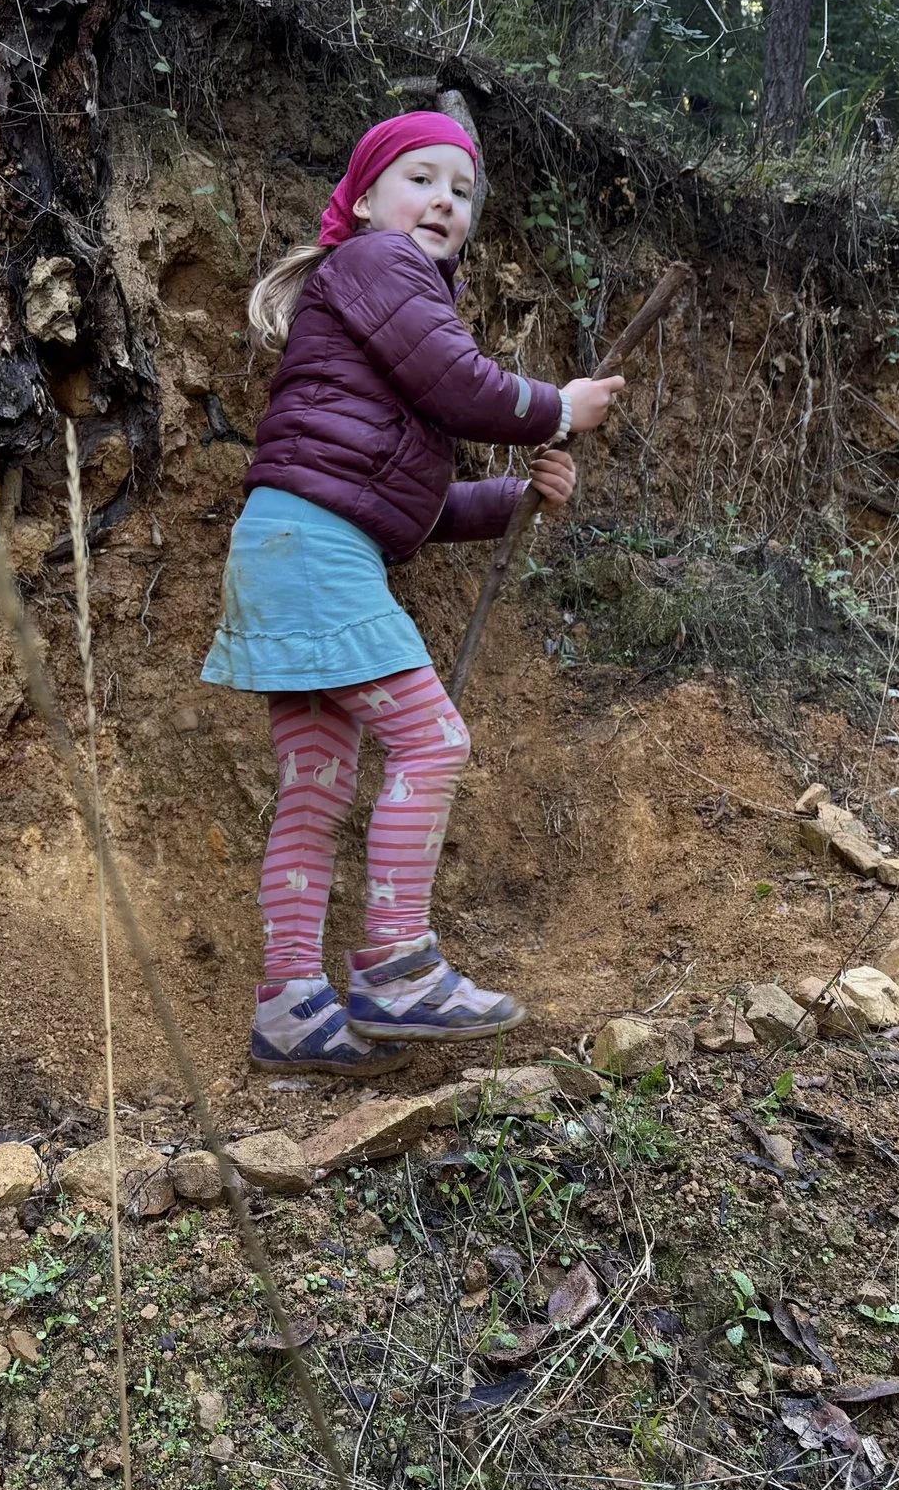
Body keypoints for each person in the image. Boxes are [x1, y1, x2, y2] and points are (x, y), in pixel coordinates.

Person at [203, 110, 625, 1076]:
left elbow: (411, 505)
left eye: (462, 190)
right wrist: (558, 406)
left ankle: (290, 1006)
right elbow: (462, 383)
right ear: (363, 198)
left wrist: (520, 495)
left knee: (316, 786)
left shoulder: (375, 300)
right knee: (433, 740)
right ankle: (396, 967)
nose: (443, 200)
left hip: (294, 541)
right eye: (421, 178)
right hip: (312, 550)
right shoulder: (377, 266)